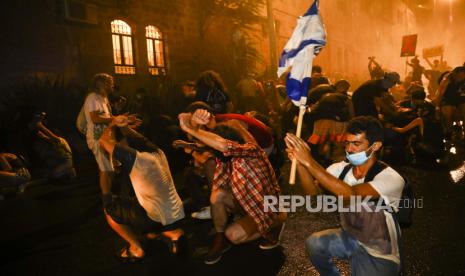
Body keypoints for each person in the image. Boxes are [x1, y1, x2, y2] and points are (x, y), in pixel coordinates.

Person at [285, 116, 404, 276]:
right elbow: (313, 193)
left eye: (356, 144)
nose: (349, 149)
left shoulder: (391, 178)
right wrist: (299, 163)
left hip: (380, 254)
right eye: (347, 143)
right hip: (352, 238)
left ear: (375, 146)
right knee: (314, 243)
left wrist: (309, 161)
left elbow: (352, 195)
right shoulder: (339, 169)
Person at [178, 109, 286, 265]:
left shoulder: (252, 152)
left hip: (267, 209)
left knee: (233, 234)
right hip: (247, 204)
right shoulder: (225, 159)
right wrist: (193, 122)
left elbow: (223, 145)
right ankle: (219, 238)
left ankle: (277, 222)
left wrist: (190, 128)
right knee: (217, 195)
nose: (212, 152)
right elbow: (211, 144)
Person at [99, 117, 185, 261]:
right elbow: (141, 139)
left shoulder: (136, 160)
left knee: (109, 210)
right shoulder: (158, 153)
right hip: (177, 215)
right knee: (138, 201)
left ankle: (136, 248)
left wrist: (112, 124)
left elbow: (103, 141)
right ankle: (173, 233)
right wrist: (125, 127)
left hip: (155, 218)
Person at [82, 73, 116, 205]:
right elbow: (95, 119)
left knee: (111, 170)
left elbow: (110, 118)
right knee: (106, 168)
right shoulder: (92, 98)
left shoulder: (104, 98)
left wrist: (124, 120)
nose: (112, 85)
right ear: (101, 84)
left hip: (107, 138)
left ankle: (109, 194)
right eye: (109, 82)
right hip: (96, 138)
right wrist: (114, 119)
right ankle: (107, 200)